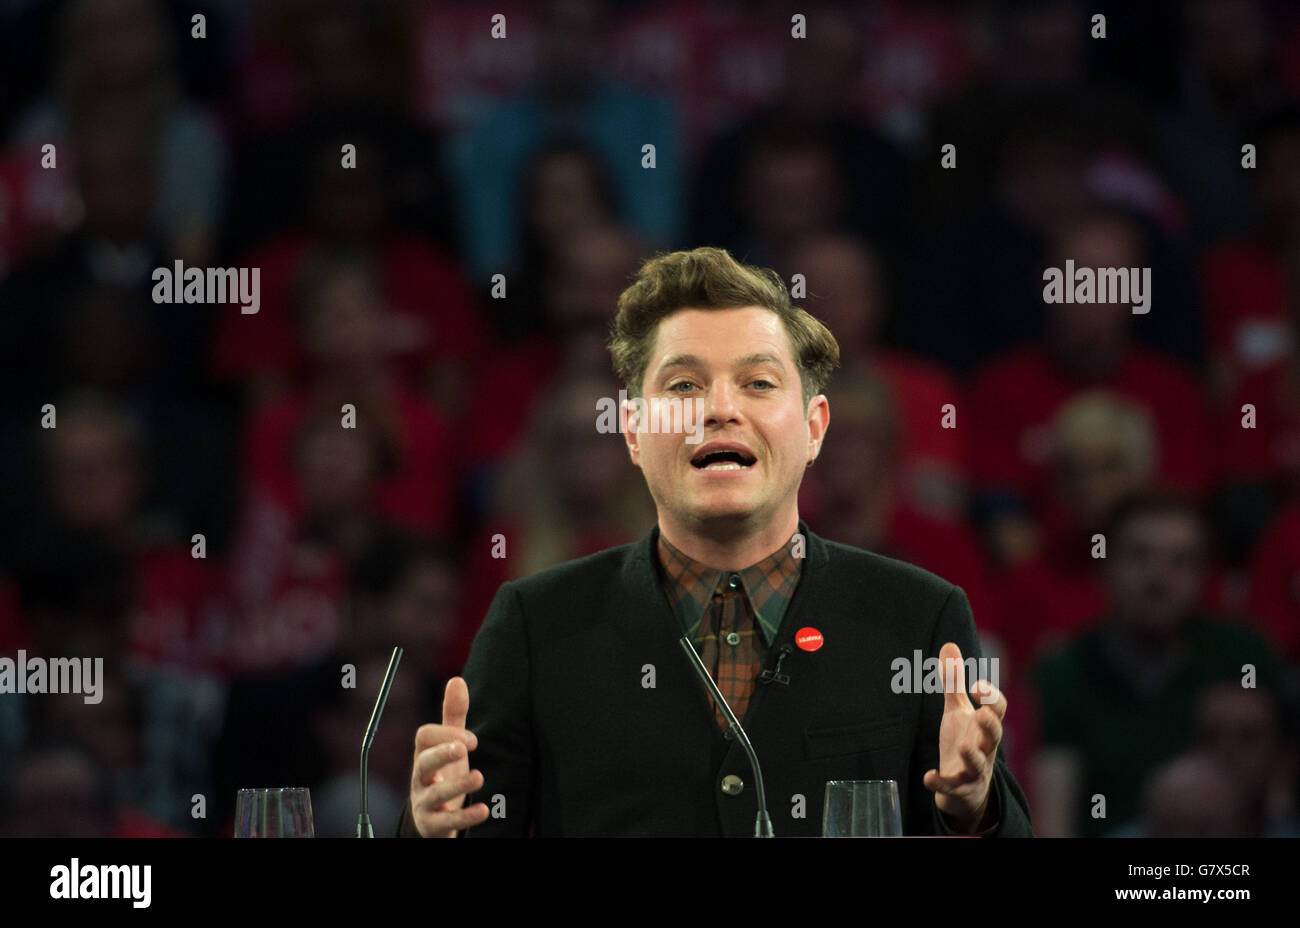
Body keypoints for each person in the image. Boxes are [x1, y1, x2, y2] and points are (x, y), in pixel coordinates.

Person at [401, 247, 1033, 837]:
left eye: (758, 383)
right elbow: (466, 822)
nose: (719, 408)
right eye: (683, 387)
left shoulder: (919, 619)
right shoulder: (535, 627)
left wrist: (971, 808)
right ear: (633, 431)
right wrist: (432, 829)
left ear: (814, 430)